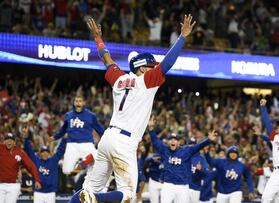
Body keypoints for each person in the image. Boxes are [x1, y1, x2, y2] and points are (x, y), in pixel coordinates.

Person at [70, 14, 196, 203]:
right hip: (124, 142)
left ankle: (90, 196)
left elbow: (106, 59)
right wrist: (182, 37)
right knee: (128, 194)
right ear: (143, 68)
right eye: (150, 66)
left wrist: (98, 38)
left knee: (86, 190)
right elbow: (167, 64)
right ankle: (94, 197)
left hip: (107, 139)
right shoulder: (146, 81)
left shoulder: (118, 78)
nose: (153, 68)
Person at [148, 116, 218, 203]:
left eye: (175, 140)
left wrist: (208, 140)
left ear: (179, 142)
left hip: (182, 186)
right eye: (171, 139)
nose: (173, 141)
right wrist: (151, 128)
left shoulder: (186, 151)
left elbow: (198, 146)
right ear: (168, 142)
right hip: (168, 185)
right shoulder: (164, 149)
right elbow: (155, 140)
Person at [51, 95, 105, 175]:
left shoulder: (91, 115)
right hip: (71, 144)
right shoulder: (68, 115)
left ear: (83, 103)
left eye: (80, 101)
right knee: (66, 171)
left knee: (97, 164)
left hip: (87, 143)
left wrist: (107, 138)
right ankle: (80, 166)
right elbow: (63, 129)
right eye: (76, 101)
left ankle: (82, 165)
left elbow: (100, 129)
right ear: (73, 103)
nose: (78, 103)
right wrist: (54, 137)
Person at [23, 126, 67, 203]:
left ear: (49, 153)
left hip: (51, 192)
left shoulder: (53, 160)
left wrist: (65, 139)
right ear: (40, 154)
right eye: (43, 152)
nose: (45, 154)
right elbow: (29, 150)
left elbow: (61, 150)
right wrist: (26, 138)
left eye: (46, 152)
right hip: (38, 192)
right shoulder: (36, 160)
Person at [0, 133, 41, 203]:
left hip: (14, 186)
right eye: (7, 139)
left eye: (11, 140)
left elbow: (31, 166)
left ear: (15, 142)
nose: (9, 141)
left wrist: (37, 179)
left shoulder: (20, 153)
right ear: (4, 141)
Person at [188, 137, 208, 203]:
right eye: (190, 144)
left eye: (194, 144)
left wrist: (199, 170)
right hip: (183, 187)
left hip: (195, 188)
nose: (192, 146)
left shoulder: (201, 158)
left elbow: (205, 174)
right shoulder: (183, 156)